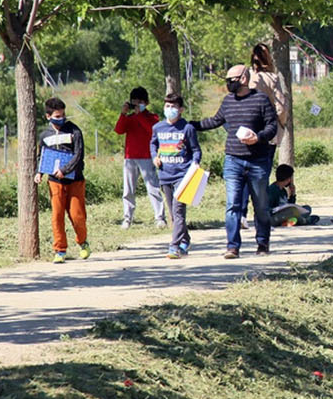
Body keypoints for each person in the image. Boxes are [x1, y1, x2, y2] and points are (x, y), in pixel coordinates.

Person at [197, 64, 278, 258]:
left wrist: (258, 137)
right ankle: (232, 246)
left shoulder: (261, 99)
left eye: (230, 79)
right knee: (232, 204)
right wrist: (189, 125)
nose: (228, 83)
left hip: (258, 161)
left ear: (243, 79)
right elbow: (214, 121)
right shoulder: (227, 101)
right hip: (233, 160)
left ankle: (262, 243)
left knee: (260, 204)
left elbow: (272, 125)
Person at [35, 97, 89, 264]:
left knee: (77, 215)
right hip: (55, 182)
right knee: (57, 216)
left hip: (74, 180)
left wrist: (65, 170)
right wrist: (39, 172)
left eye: (63, 115)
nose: (61, 118)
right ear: (48, 116)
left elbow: (78, 155)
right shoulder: (44, 135)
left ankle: (83, 242)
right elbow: (41, 156)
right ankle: (60, 250)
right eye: (57, 116)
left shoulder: (75, 131)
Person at [150, 92, 201, 258]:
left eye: (173, 106)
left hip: (183, 176)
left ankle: (174, 246)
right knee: (173, 213)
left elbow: (196, 150)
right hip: (165, 174)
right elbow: (153, 144)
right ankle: (185, 238)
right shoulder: (158, 128)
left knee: (178, 210)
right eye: (167, 106)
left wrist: (195, 164)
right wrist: (154, 157)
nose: (169, 109)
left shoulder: (187, 128)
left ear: (181, 110)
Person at [114, 86, 166, 229]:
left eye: (140, 102)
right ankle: (127, 218)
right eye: (134, 102)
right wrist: (123, 114)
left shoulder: (152, 118)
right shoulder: (129, 118)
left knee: (153, 188)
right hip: (130, 158)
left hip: (147, 156)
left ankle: (160, 217)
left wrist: (140, 115)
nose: (137, 105)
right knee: (128, 190)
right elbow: (119, 130)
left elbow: (152, 130)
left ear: (146, 103)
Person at [249, 43, 287, 152]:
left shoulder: (246, 76)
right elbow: (281, 108)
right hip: (267, 128)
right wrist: (281, 123)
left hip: (247, 126)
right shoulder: (273, 78)